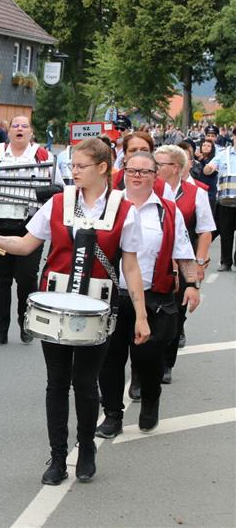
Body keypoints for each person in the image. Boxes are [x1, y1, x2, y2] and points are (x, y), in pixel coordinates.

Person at [0, 137, 148, 485]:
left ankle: (87, 448)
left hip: (97, 310)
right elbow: (23, 243)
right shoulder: (58, 204)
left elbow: (132, 267)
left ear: (102, 169)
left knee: (85, 382)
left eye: (80, 166)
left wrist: (139, 314)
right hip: (55, 306)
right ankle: (57, 456)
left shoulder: (125, 211)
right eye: (72, 165)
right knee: (56, 382)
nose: (73, 171)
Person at [97, 152, 200, 440]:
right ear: (123, 173)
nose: (138, 176)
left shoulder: (167, 210)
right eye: (132, 170)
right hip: (112, 293)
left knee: (149, 358)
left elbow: (183, 250)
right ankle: (113, 415)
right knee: (110, 358)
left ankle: (151, 398)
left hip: (153, 295)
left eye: (145, 171)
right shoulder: (108, 206)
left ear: (156, 176)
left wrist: (192, 285)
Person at [0, 114, 59, 346]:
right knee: (1, 278)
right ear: (9, 131)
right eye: (15, 126)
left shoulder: (44, 156)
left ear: (31, 132)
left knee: (27, 278)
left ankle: (25, 323)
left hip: (31, 226)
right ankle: (0, 331)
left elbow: (60, 190)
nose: (19, 129)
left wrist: (42, 194)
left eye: (24, 126)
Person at [155, 145, 214, 381]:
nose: (155, 168)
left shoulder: (195, 193)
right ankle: (142, 369)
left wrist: (199, 264)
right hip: (152, 260)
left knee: (175, 313)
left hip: (182, 261)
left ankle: (167, 362)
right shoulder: (148, 191)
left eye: (160, 164)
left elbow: (205, 231)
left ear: (176, 168)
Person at [204, 144, 236, 271]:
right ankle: (226, 262)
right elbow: (208, 169)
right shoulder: (223, 154)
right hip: (226, 200)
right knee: (225, 231)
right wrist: (209, 168)